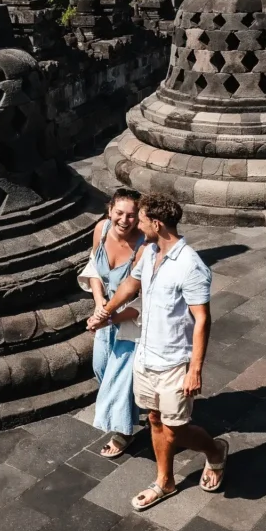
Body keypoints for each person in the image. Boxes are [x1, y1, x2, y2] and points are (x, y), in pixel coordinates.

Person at [93, 193, 228, 510]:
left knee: (176, 429)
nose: (135, 225)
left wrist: (194, 369)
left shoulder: (191, 266)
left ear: (156, 223)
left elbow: (202, 319)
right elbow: (130, 286)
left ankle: (215, 450)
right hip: (145, 357)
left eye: (140, 220)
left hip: (173, 363)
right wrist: (105, 313)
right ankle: (164, 481)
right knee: (154, 420)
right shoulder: (150, 251)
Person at [80, 188, 145, 458]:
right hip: (105, 312)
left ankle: (124, 431)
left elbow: (137, 294)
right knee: (101, 368)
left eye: (131, 215)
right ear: (110, 211)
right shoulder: (101, 229)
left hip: (130, 318)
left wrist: (107, 315)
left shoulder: (143, 246)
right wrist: (98, 304)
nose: (124, 220)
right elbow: (94, 268)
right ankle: (134, 407)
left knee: (120, 378)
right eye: (119, 212)